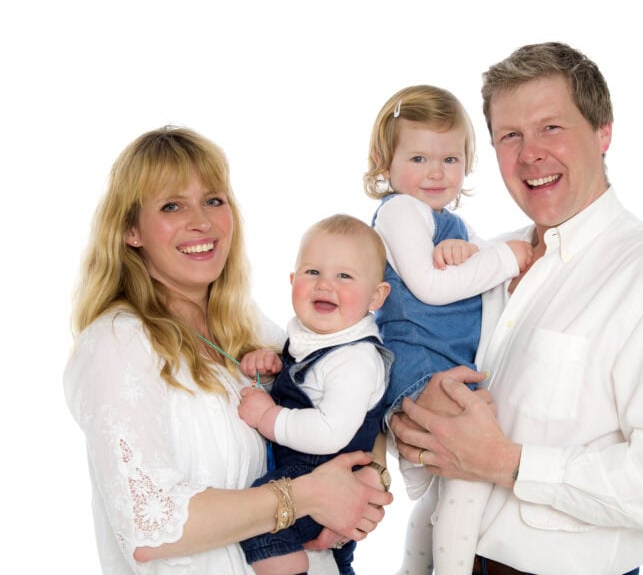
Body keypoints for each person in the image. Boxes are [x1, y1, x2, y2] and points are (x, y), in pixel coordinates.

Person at [389, 42, 643, 575]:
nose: (530, 154)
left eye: (551, 127)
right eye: (510, 136)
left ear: (603, 132)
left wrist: (509, 463)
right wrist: (409, 422)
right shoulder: (481, 262)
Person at [63, 126, 392, 575]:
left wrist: (370, 478)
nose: (202, 221)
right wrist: (309, 496)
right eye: (172, 205)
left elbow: (353, 388)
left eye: (213, 200)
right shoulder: (118, 342)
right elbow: (149, 527)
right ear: (131, 231)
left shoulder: (247, 324)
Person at [364, 85, 533, 575]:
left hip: (440, 363)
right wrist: (507, 257)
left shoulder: (447, 220)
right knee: (470, 479)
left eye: (451, 159)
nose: (436, 173)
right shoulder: (400, 211)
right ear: (384, 162)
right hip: (418, 362)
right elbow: (431, 288)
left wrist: (474, 253)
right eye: (419, 157)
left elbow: (477, 279)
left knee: (444, 494)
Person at [236, 214, 394, 575]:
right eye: (312, 273)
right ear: (292, 281)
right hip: (311, 479)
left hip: (324, 478)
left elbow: (329, 431)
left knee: (260, 525)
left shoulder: (355, 358)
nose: (325, 285)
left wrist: (267, 417)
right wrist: (272, 364)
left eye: (344, 276)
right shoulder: (317, 339)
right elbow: (307, 380)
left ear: (376, 296)